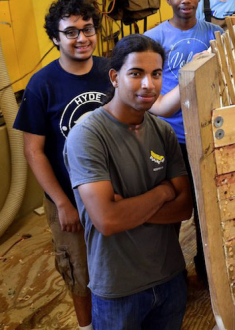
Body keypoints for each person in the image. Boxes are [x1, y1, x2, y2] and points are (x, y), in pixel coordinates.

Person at [64, 34, 193, 330]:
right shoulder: (88, 135)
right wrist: (163, 191)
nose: (148, 84)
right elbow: (107, 220)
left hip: (170, 277)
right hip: (119, 288)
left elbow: (184, 208)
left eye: (156, 74)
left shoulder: (163, 132)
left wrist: (129, 210)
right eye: (136, 73)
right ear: (115, 77)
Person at [13, 0, 110, 330]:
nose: (81, 38)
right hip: (68, 199)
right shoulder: (42, 85)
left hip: (115, 192)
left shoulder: (110, 72)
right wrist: (62, 203)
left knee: (118, 264)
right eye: (70, 32)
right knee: (79, 272)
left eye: (88, 28)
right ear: (55, 38)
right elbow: (33, 151)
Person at [145, 0, 222, 284]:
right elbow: (146, 92)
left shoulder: (216, 35)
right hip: (167, 138)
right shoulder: (152, 40)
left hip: (207, 136)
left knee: (208, 209)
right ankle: (168, 275)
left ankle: (208, 272)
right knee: (171, 209)